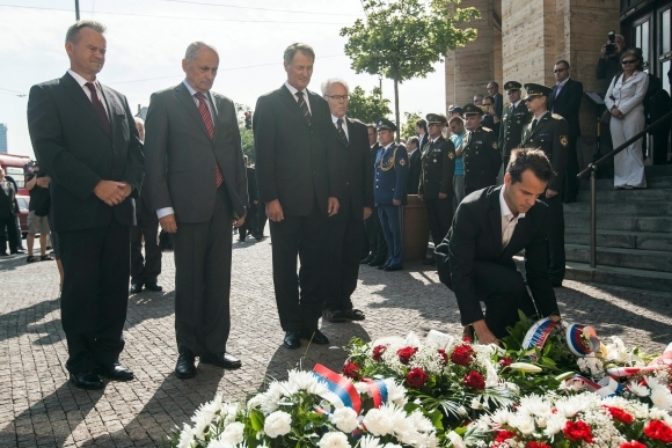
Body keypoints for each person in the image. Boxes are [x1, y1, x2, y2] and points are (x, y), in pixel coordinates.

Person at [27, 20, 144, 390]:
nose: (98, 54)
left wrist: (129, 185)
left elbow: (135, 150)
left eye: (103, 50)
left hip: (119, 212)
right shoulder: (47, 94)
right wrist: (95, 185)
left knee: (115, 288)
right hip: (78, 212)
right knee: (80, 291)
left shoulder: (118, 98)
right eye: (92, 48)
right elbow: (50, 151)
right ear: (70, 48)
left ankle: (108, 355)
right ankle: (81, 362)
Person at [144, 41, 247, 378]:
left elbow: (234, 157)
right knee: (189, 282)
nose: (209, 75)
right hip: (184, 208)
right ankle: (187, 351)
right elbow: (154, 160)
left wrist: (240, 202)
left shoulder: (225, 104)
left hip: (221, 205)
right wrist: (163, 208)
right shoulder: (164, 101)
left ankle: (215, 348)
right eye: (204, 68)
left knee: (219, 281)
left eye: (214, 69)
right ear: (185, 65)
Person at [253, 43, 340, 350]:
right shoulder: (268, 103)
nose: (305, 73)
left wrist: (332, 191)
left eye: (309, 67)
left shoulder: (319, 104)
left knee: (315, 266)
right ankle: (291, 326)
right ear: (286, 66)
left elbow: (328, 152)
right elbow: (264, 156)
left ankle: (310, 324)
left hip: (318, 202)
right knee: (285, 269)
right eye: (300, 67)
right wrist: (270, 198)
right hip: (284, 205)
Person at [436, 148, 561, 344]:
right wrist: (481, 328)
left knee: (529, 319)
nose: (531, 202)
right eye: (526, 193)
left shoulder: (539, 213)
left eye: (538, 195)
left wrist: (554, 319)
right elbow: (461, 272)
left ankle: (492, 340)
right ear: (508, 179)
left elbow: (538, 272)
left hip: (495, 262)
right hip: (454, 263)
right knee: (510, 285)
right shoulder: (472, 207)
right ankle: (479, 342)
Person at [321, 78, 372, 323]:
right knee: (331, 255)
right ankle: (329, 304)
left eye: (344, 97)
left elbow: (366, 168)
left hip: (355, 205)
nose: (342, 101)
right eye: (336, 97)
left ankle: (345, 301)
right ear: (325, 100)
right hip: (330, 206)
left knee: (352, 254)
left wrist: (367, 202)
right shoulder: (318, 128)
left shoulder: (359, 129)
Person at [521, 83, 569, 286]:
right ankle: (537, 272)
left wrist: (554, 185)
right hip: (531, 188)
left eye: (531, 99)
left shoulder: (557, 123)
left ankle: (555, 274)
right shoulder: (528, 126)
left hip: (547, 187)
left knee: (553, 231)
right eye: (526, 100)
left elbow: (560, 156)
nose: (527, 102)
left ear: (543, 99)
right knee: (534, 232)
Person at [604, 49, 649, 189]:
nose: (627, 64)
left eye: (631, 62)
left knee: (634, 146)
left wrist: (622, 110)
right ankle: (621, 180)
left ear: (637, 62)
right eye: (624, 62)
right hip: (615, 115)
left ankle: (636, 180)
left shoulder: (642, 76)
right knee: (619, 147)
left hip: (633, 113)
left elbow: (639, 96)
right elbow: (607, 96)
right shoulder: (617, 77)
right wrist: (612, 109)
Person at [129, 117, 162, 295]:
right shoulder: (126, 151)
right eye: (135, 130)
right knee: (133, 245)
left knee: (153, 243)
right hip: (132, 205)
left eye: (141, 129)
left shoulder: (153, 152)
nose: (138, 133)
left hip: (150, 205)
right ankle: (136, 279)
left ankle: (151, 278)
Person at [418, 113, 455, 265]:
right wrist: (421, 188)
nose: (431, 128)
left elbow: (448, 170)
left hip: (441, 193)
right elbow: (423, 170)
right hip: (429, 192)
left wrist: (444, 189)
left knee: (444, 224)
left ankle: (448, 255)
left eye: (434, 125)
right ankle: (438, 254)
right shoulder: (427, 145)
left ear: (440, 127)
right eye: (429, 125)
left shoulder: (446, 144)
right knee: (433, 225)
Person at [373, 118, 409, 271]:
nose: (380, 135)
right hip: (381, 198)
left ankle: (397, 259)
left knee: (395, 230)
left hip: (392, 198)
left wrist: (398, 196)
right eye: (379, 133)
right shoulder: (380, 151)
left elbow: (401, 175)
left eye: (384, 132)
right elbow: (376, 175)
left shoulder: (398, 150)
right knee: (386, 231)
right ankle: (391, 256)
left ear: (392, 134)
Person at [549, 60, 583, 202]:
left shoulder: (575, 86)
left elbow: (572, 107)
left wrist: (554, 117)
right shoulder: (553, 89)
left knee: (569, 161)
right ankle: (560, 192)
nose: (558, 73)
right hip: (554, 130)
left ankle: (571, 193)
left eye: (561, 70)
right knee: (557, 161)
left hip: (568, 128)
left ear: (568, 70)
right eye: (555, 71)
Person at [361, 123, 388, 267]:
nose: (368, 137)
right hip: (367, 194)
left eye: (370, 134)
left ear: (376, 135)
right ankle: (372, 252)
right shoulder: (365, 150)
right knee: (369, 226)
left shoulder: (379, 150)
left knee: (378, 227)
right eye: (366, 135)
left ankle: (379, 254)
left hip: (376, 193)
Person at [462, 103, 501, 195]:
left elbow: (496, 160)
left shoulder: (487, 134)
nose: (468, 121)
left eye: (472, 118)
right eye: (466, 119)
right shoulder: (467, 136)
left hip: (484, 183)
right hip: (469, 182)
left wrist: (491, 178)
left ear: (480, 119)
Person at [24, 162, 53, 263]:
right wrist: (36, 177)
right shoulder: (32, 173)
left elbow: (47, 184)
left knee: (45, 233)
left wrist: (41, 182)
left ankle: (43, 254)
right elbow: (28, 187)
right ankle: (30, 255)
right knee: (31, 233)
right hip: (35, 208)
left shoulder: (49, 171)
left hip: (47, 208)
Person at [498, 81, 530, 170]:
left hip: (520, 149)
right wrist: (501, 147)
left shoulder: (526, 107)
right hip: (506, 150)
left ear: (519, 92)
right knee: (507, 174)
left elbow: (528, 129)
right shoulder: (506, 109)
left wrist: (524, 146)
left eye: (514, 92)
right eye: (509, 93)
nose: (511, 95)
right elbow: (502, 130)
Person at [238, 155, 260, 242]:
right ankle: (245, 234)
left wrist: (256, 198)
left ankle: (252, 233)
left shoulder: (250, 171)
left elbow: (255, 185)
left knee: (250, 215)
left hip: (248, 198)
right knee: (247, 215)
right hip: (245, 198)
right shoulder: (241, 171)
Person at [0, 166, 19, 256]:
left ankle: (14, 249)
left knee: (13, 230)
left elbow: (14, 194)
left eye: (1, 171)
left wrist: (15, 208)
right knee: (1, 232)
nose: (0, 173)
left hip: (11, 210)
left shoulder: (10, 182)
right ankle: (2, 251)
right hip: (0, 211)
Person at [449, 115, 467, 206]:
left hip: (461, 172)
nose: (452, 130)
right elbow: (449, 155)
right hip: (452, 172)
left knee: (460, 199)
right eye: (451, 128)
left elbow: (457, 153)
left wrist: (451, 154)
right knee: (453, 201)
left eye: (454, 127)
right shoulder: (452, 138)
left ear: (461, 124)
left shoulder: (467, 136)